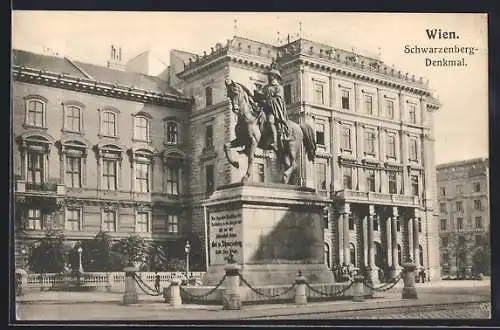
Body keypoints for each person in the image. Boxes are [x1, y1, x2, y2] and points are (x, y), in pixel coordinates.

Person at [253, 60, 290, 153]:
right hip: (264, 109)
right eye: (269, 75)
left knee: (270, 121)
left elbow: (278, 100)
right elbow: (262, 96)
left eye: (271, 75)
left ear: (275, 76)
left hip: (273, 110)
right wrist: (257, 95)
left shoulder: (278, 87)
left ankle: (275, 141)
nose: (269, 77)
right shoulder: (265, 87)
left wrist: (268, 101)